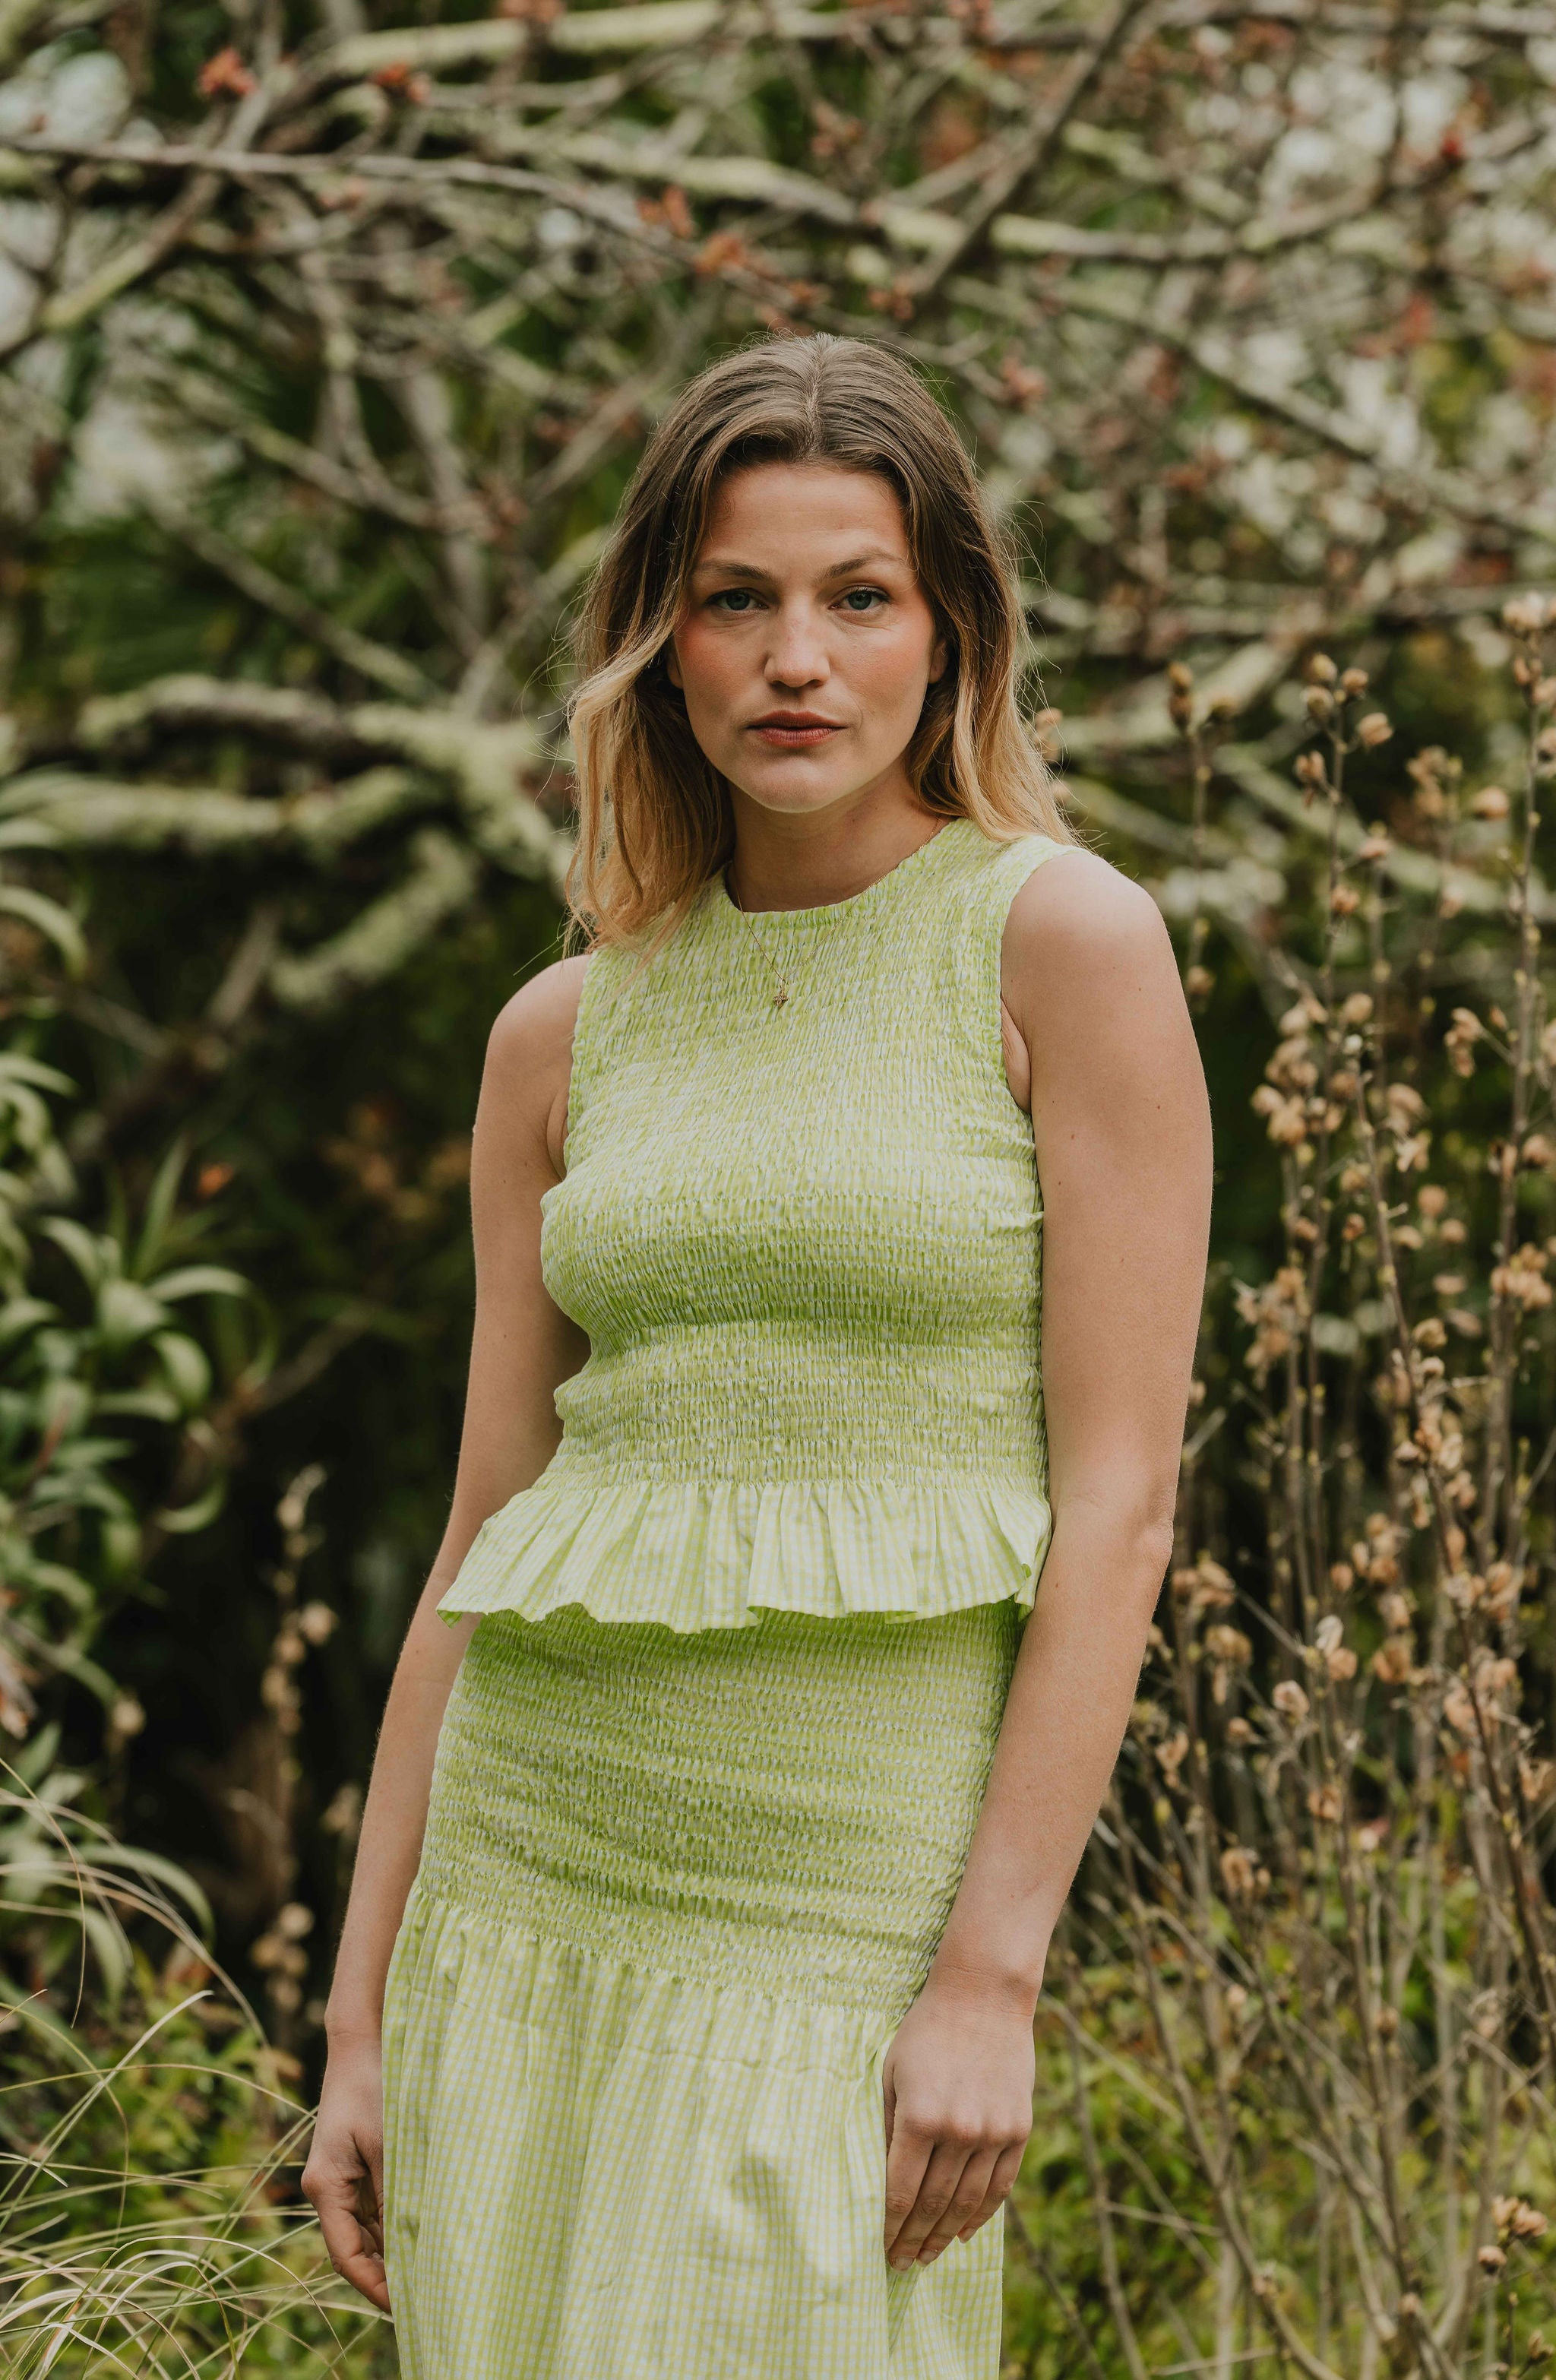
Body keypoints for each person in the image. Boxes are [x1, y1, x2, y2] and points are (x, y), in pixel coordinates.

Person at [302, 331, 1212, 2380]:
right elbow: (486, 1524)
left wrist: (992, 1973)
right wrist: (360, 2011)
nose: (797, 658)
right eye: (737, 599)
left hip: (846, 1927)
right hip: (523, 1887)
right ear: (663, 644)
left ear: (949, 633)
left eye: (858, 597)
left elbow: (1121, 1505)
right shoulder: (562, 1029)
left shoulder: (1064, 944)